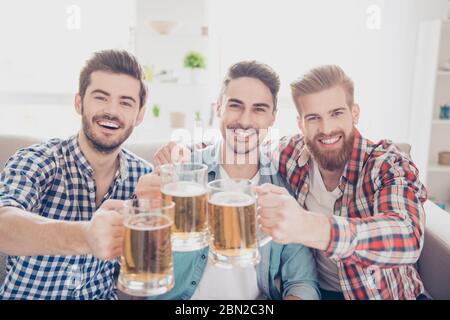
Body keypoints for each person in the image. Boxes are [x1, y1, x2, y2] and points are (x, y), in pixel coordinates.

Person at [137, 61, 319, 300]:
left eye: (259, 109)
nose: (244, 121)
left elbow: (302, 283)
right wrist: (142, 208)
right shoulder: (180, 174)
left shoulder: (282, 190)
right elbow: (141, 261)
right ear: (219, 107)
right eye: (236, 105)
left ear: (273, 117)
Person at [255, 65, 427, 300]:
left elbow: (407, 236)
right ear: (300, 124)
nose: (326, 129)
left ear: (354, 113)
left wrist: (308, 226)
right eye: (314, 118)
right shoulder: (290, 154)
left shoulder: (386, 163)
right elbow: (245, 148)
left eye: (336, 113)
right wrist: (189, 153)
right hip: (321, 292)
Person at [0, 49, 151, 299]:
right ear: (79, 103)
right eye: (101, 98)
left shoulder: (143, 177)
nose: (111, 111)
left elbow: (136, 282)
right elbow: (3, 224)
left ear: (140, 115)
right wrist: (86, 236)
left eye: (125, 102)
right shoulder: (38, 161)